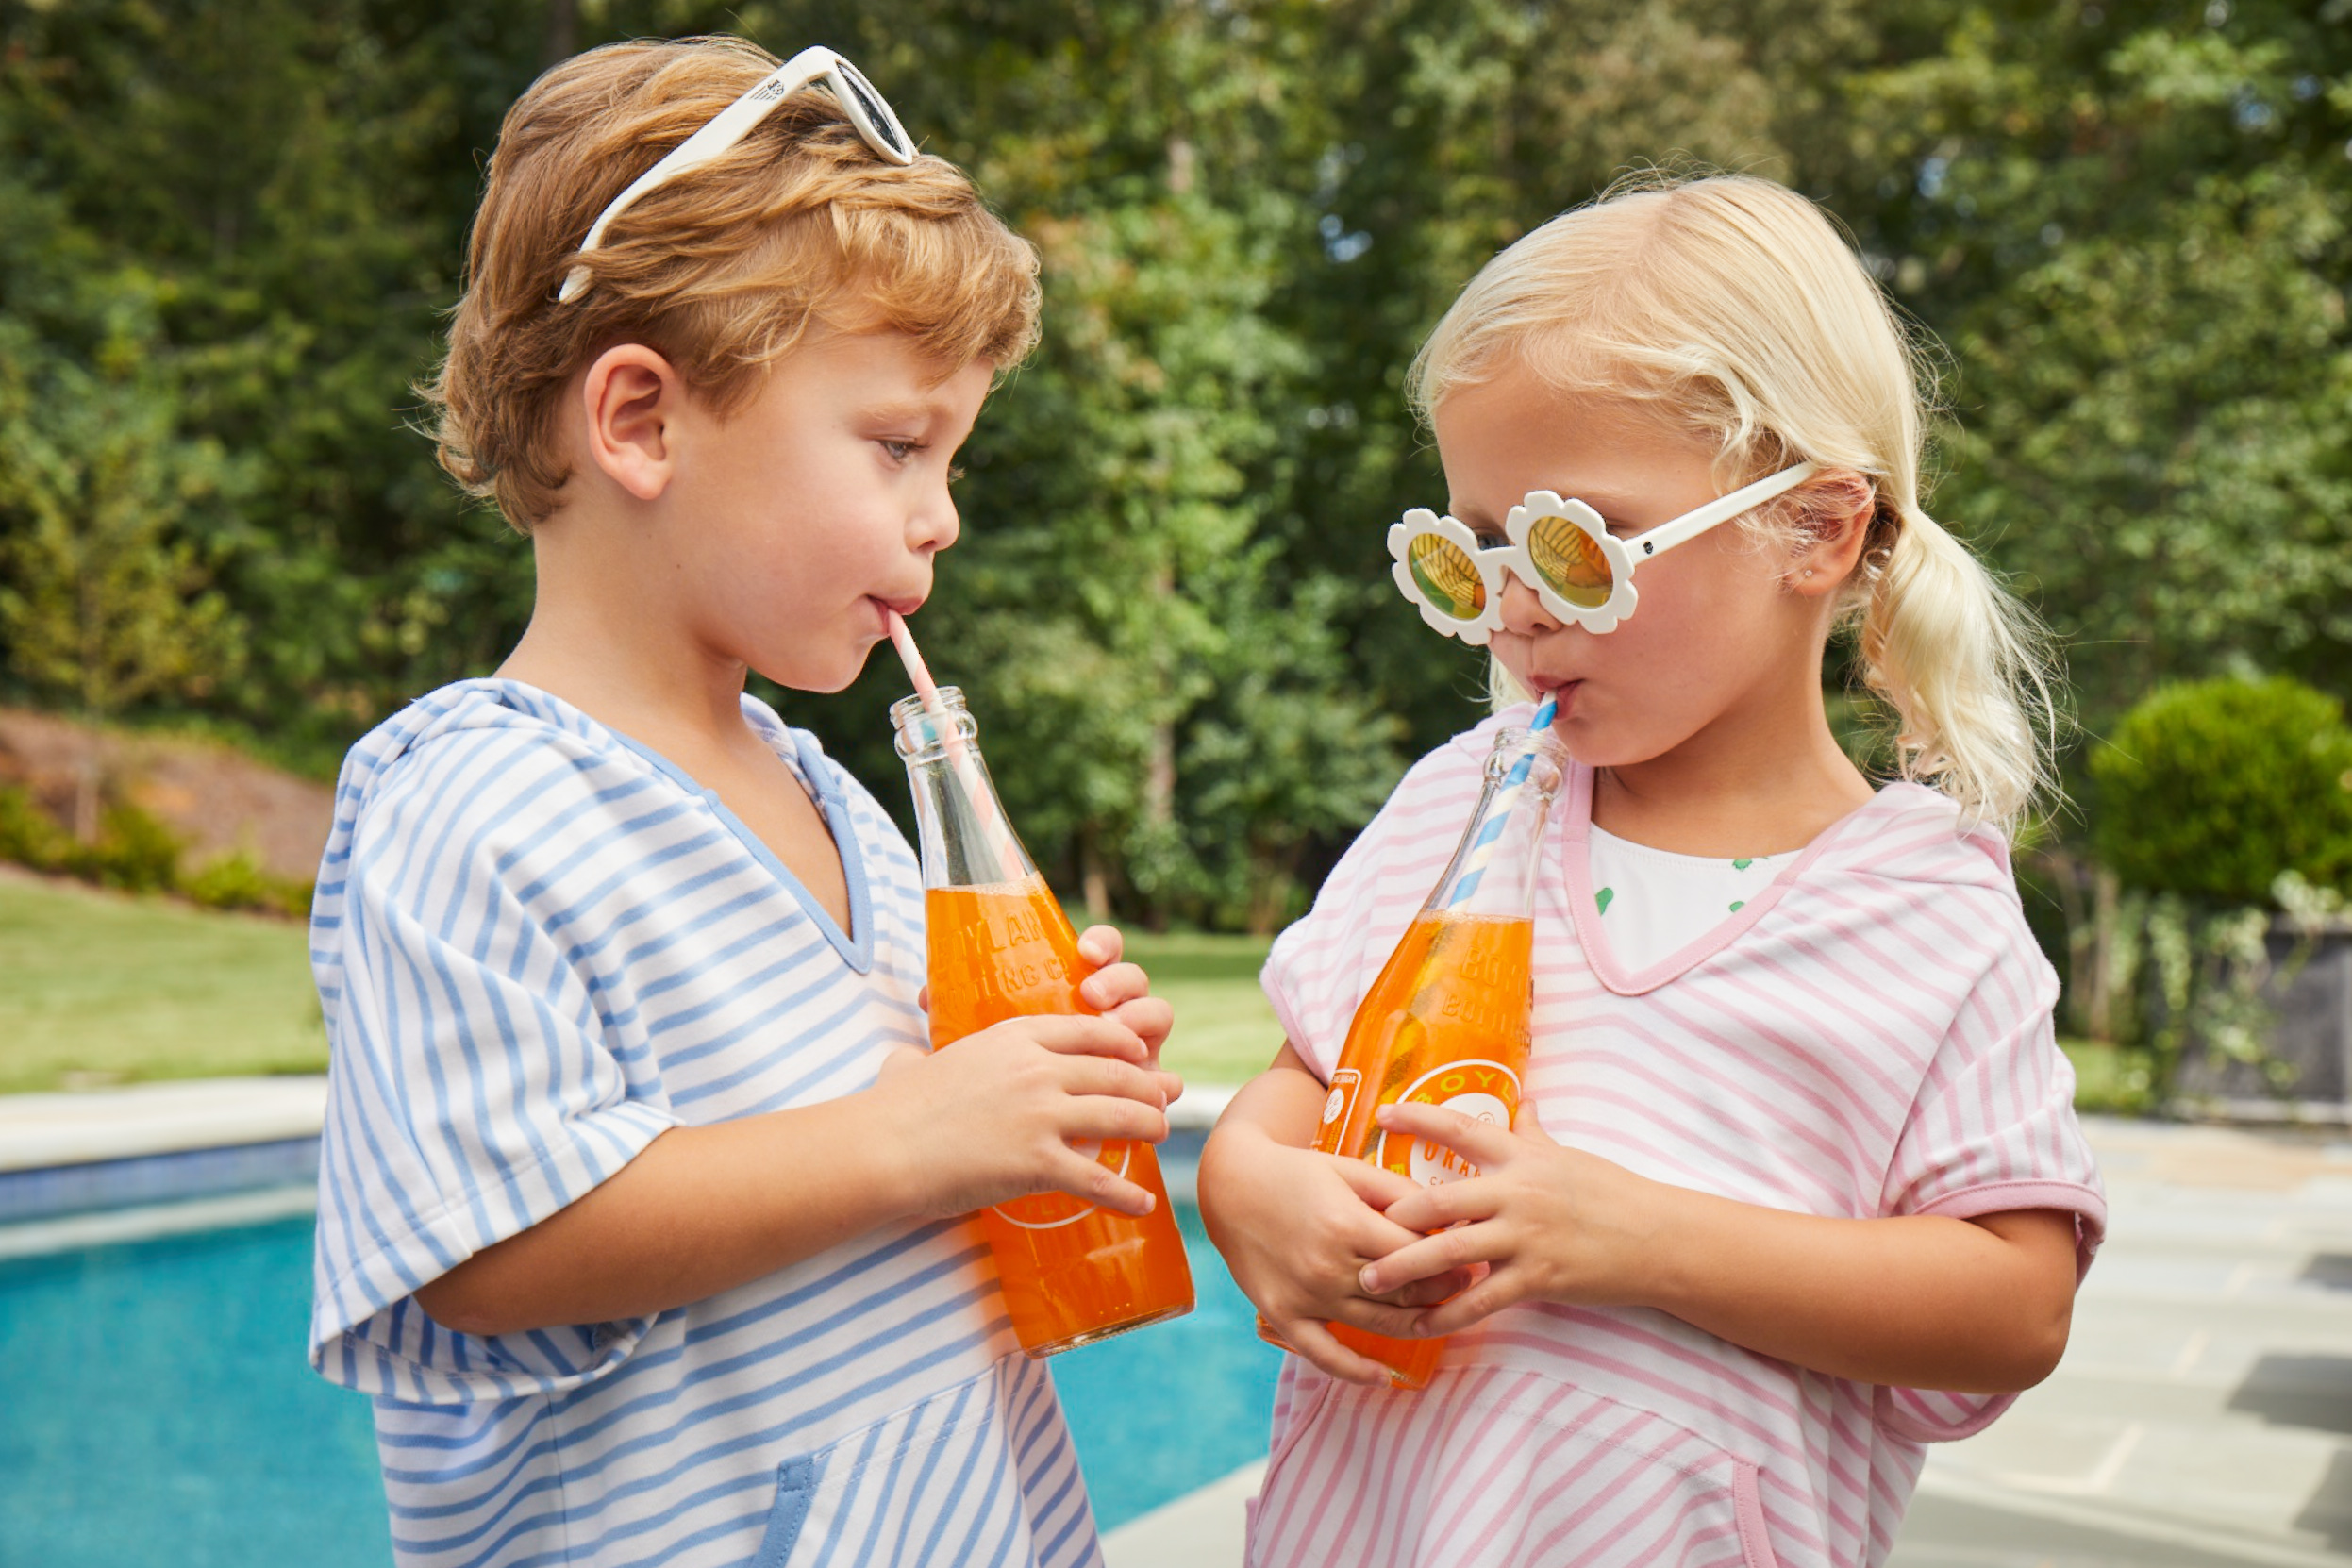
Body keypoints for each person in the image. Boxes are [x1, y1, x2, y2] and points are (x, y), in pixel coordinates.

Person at [306, 37, 1176, 1568]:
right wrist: (919, 1135)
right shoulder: (476, 804)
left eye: (951, 455)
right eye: (899, 443)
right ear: (640, 420)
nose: (943, 512)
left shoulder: (825, 786)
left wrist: (1028, 1083)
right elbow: (487, 1251)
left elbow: (897, 1134)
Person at [1199, 172, 2105, 1568]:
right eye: (1474, 549)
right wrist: (1247, 1185)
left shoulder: (1924, 911)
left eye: (1570, 545)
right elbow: (1298, 1088)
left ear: (1815, 526)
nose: (1509, 609)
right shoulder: (1460, 805)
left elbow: (2010, 1305)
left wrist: (1627, 1234)